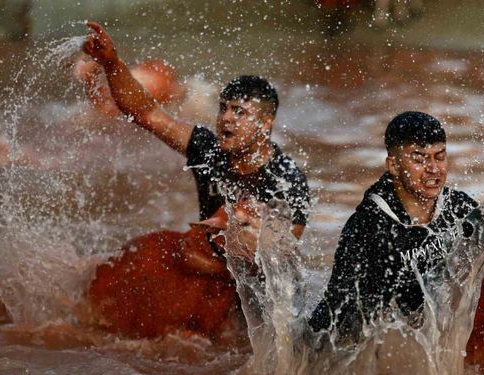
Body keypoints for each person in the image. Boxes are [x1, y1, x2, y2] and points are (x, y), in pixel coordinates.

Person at [81, 22, 310, 261]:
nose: (226, 118)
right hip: (210, 258)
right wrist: (111, 63)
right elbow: (145, 112)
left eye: (239, 112)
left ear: (265, 122)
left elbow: (279, 260)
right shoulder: (207, 149)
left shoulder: (286, 182)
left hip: (250, 283)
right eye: (223, 109)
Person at [308, 111, 484, 340]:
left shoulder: (460, 209)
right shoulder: (368, 228)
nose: (433, 168)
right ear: (393, 165)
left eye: (439, 156)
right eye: (419, 159)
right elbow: (340, 315)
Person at [73, 56, 218, 125]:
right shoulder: (115, 83)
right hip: (182, 92)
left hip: (180, 98)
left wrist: (90, 81)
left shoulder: (110, 97)